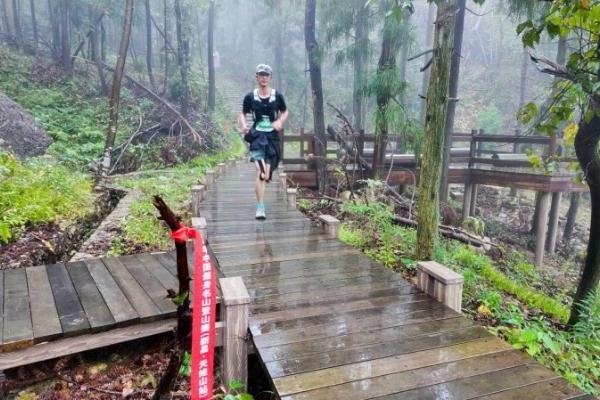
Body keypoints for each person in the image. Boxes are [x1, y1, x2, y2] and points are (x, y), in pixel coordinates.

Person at [238, 64, 289, 220]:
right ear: (257, 77)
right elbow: (242, 113)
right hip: (257, 137)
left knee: (265, 176)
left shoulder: (277, 96)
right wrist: (244, 125)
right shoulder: (250, 97)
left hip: (272, 138)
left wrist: (280, 121)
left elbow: (285, 111)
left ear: (270, 77)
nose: (264, 78)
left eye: (266, 75)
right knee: (260, 173)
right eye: (261, 75)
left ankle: (261, 203)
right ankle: (260, 207)